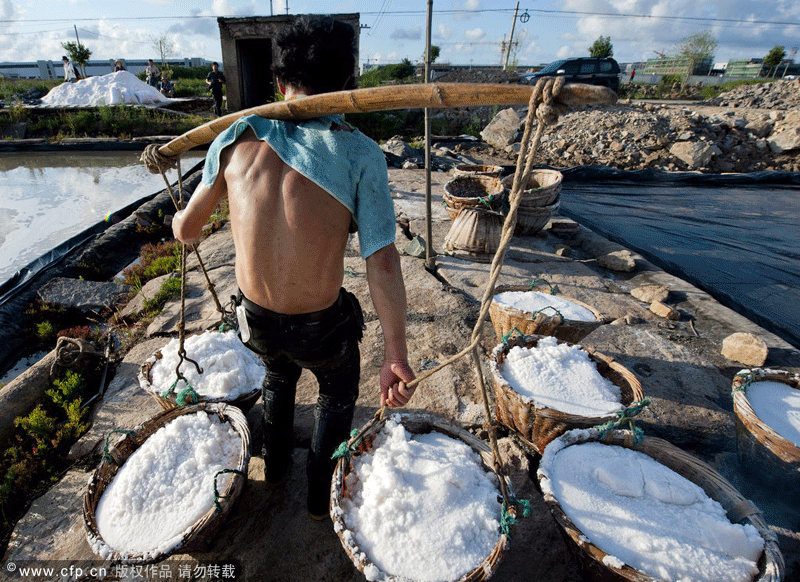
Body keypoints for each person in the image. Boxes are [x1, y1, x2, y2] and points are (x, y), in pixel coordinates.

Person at [172, 15, 415, 520]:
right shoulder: (358, 153)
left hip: (254, 320)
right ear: (348, 87)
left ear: (279, 85)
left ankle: (274, 465)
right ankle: (316, 500)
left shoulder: (236, 136)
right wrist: (395, 351)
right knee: (336, 389)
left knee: (277, 378)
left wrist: (178, 218)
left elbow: (188, 230)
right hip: (318, 328)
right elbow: (383, 260)